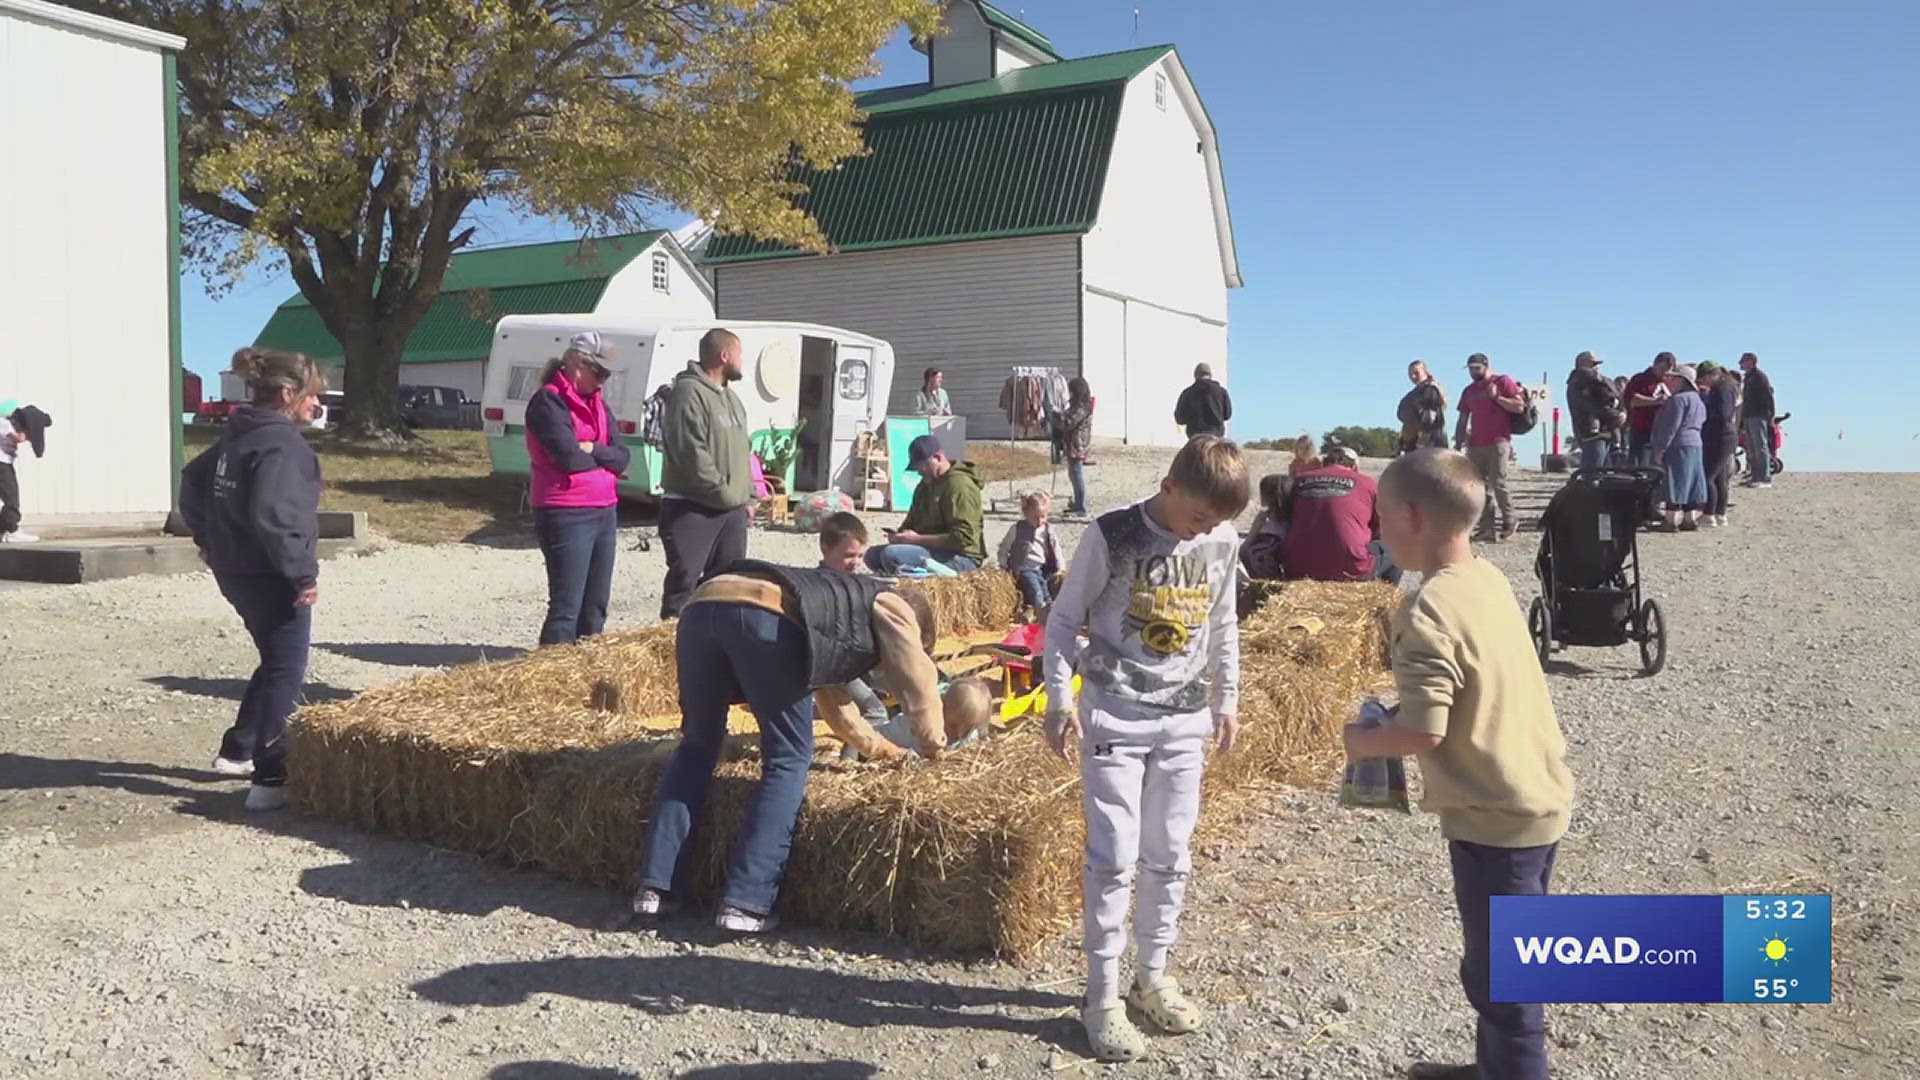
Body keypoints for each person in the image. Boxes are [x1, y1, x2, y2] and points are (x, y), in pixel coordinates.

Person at [1343, 448, 1573, 1080]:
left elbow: (1422, 733)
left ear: (1412, 518)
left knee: (1505, 984)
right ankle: (1493, 1068)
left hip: (1495, 817)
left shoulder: (1425, 610)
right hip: (1538, 794)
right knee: (1504, 964)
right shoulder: (1486, 579)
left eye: (1380, 516)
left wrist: (1360, 742)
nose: (1375, 530)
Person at [1041, 435, 1249, 1063]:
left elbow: (1223, 620)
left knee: (1171, 854)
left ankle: (1151, 977)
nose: (1203, 530)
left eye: (1215, 523)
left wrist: (1227, 697)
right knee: (1113, 857)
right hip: (1115, 715)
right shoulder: (1112, 535)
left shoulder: (1219, 541)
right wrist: (1058, 698)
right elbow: (1062, 619)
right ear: (1169, 487)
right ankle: (1100, 997)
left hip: (1184, 721)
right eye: (1197, 517)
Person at [634, 560, 950, 932]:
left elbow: (839, 711)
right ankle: (746, 902)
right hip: (763, 618)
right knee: (788, 757)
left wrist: (886, 751)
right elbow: (920, 684)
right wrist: (935, 749)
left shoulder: (832, 610)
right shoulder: (892, 604)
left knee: (697, 747)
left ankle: (656, 889)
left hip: (701, 610)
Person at [178, 348, 327, 812]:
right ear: (287, 393)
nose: (315, 406)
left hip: (235, 567)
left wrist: (207, 535)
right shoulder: (281, 444)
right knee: (287, 666)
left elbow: (193, 479)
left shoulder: (239, 433)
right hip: (268, 571)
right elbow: (275, 515)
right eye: (311, 397)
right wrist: (302, 573)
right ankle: (271, 777)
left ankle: (238, 749)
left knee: (274, 655)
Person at [525, 333, 631, 646]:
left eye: (606, 375)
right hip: (565, 510)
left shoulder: (599, 405)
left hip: (604, 509)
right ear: (575, 363)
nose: (602, 381)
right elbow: (568, 457)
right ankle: (553, 670)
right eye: (597, 372)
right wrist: (603, 458)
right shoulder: (548, 401)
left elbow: (623, 457)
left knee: (595, 605)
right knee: (566, 606)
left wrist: (593, 448)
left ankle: (587, 666)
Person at [659, 328, 753, 619]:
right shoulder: (689, 392)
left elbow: (742, 452)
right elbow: (691, 452)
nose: (741, 360)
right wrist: (724, 492)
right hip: (693, 507)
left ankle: (714, 644)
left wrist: (746, 495)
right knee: (685, 579)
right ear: (725, 355)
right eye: (739, 353)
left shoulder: (732, 399)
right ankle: (674, 643)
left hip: (731, 510)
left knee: (727, 581)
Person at [865, 435, 985, 574]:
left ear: (938, 458)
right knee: (872, 556)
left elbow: (963, 538)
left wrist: (917, 540)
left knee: (891, 555)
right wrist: (900, 536)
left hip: (961, 557)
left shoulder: (960, 486)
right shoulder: (924, 486)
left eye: (923, 466)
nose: (920, 472)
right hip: (930, 548)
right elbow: (912, 521)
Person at [1281, 446, 1401, 584]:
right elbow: (1383, 527)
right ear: (1354, 466)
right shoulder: (1367, 482)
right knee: (1395, 550)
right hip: (1350, 569)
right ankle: (1386, 602)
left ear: (1324, 464)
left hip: (1296, 568)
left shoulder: (1298, 481)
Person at [1452, 353, 1526, 543]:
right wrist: (1458, 443)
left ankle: (1510, 519)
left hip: (1498, 441)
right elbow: (1462, 418)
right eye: (1470, 369)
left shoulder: (1502, 381)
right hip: (1475, 443)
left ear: (1486, 366)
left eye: (1477, 368)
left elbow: (1519, 407)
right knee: (1478, 486)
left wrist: (1498, 397)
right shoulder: (1468, 391)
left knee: (1498, 481)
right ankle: (1487, 527)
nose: (1473, 372)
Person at [1651, 363, 1709, 531]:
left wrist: (1660, 449)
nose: (1671, 381)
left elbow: (1670, 427)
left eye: (1675, 378)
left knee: (1675, 481)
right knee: (1692, 481)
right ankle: (1689, 519)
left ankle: (1670, 520)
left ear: (1683, 380)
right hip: (1696, 443)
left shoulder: (1678, 400)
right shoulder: (1697, 400)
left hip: (1679, 444)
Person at [998, 491, 1063, 613]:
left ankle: (1048, 611)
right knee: (1035, 590)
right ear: (1026, 513)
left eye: (1043, 517)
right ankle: (1039, 610)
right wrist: (1003, 564)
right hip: (1024, 568)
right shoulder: (1017, 529)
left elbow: (1055, 547)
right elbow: (1004, 547)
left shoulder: (1047, 529)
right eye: (1035, 518)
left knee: (1045, 590)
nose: (1039, 521)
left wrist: (1060, 566)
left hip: (1041, 568)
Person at [1564, 351, 1623, 472]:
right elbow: (1590, 407)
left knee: (1606, 476)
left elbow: (1619, 398)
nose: (1596, 368)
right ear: (1582, 364)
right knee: (1592, 475)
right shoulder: (1576, 384)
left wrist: (1622, 412)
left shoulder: (1602, 382)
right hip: (1591, 435)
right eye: (1593, 364)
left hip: (1607, 433)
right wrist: (1615, 415)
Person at [1698, 363, 1737, 527]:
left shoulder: (1721, 388)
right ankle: (1720, 514)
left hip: (1719, 435)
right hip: (1726, 435)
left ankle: (1709, 513)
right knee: (1720, 477)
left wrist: (1706, 409)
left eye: (1703, 378)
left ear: (1711, 375)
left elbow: (1723, 413)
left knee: (1708, 476)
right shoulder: (1727, 387)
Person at [1623, 353, 1676, 467]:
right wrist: (1656, 401)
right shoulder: (1640, 380)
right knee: (1641, 466)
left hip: (1664, 433)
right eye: (1662, 369)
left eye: (1668, 370)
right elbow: (1632, 400)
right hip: (1643, 431)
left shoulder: (1671, 383)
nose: (1664, 373)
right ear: (1655, 365)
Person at [0, 409, 40, 544]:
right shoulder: (4, 424)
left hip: (5, 463)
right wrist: (26, 433)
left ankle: (4, 529)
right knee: (11, 497)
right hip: (1, 464)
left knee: (10, 496)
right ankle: (12, 530)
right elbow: (20, 437)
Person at [1739, 352, 1777, 488]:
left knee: (1760, 446)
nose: (1740, 364)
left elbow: (1768, 396)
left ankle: (1765, 477)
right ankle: (1755, 476)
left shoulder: (1760, 377)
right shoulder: (1748, 378)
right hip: (1748, 416)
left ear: (1751, 362)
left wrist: (1771, 415)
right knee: (1751, 448)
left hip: (1758, 416)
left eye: (1743, 361)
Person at [1059, 377, 1095, 516]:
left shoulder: (1082, 407)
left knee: (1077, 475)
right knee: (1074, 475)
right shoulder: (1078, 405)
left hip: (1077, 445)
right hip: (1074, 444)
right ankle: (1078, 504)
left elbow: (1069, 423)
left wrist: (1058, 418)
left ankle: (1081, 507)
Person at [1397, 361, 1449, 454]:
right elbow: (1401, 412)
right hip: (1413, 444)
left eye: (1416, 373)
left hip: (1428, 445)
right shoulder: (1414, 393)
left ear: (1425, 372)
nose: (1413, 377)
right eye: (1411, 374)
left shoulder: (1431, 390)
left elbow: (1428, 420)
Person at [1172, 363, 1232, 439]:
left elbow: (1179, 419)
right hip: (1216, 436)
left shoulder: (1187, 393)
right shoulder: (1222, 392)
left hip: (1195, 437)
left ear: (1195, 375)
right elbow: (1227, 415)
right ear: (1210, 375)